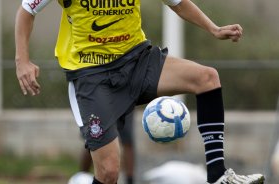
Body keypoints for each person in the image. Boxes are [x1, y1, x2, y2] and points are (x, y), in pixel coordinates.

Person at [15, 0, 265, 183]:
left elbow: (177, 3)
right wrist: (22, 60)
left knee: (207, 78)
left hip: (136, 61)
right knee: (109, 172)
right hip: (90, 76)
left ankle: (218, 175)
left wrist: (214, 28)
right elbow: (27, 10)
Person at [77, 111, 135, 184]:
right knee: (93, 141)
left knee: (127, 140)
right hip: (100, 103)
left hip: (123, 102)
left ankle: (130, 181)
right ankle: (82, 178)